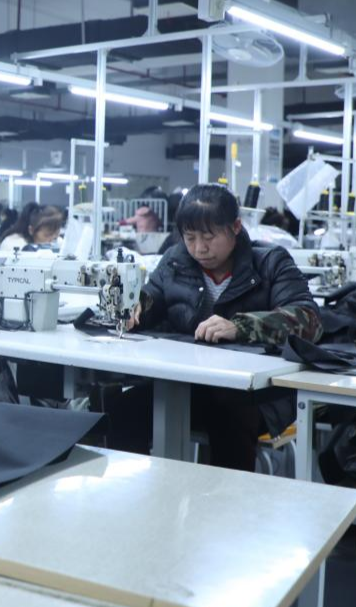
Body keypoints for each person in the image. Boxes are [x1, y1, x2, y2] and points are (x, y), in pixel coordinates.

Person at [113, 184, 322, 470]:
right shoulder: (175, 261)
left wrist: (242, 326)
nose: (199, 248)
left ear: (235, 227)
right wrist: (136, 306)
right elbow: (154, 296)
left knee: (230, 417)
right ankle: (135, 491)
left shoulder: (270, 262)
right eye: (190, 237)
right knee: (122, 410)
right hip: (187, 386)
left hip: (255, 395)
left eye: (209, 237)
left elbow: (308, 319)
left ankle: (225, 498)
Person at [0, 203, 64, 251]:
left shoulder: (59, 242)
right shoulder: (13, 244)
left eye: (55, 235)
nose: (51, 240)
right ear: (31, 230)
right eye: (46, 235)